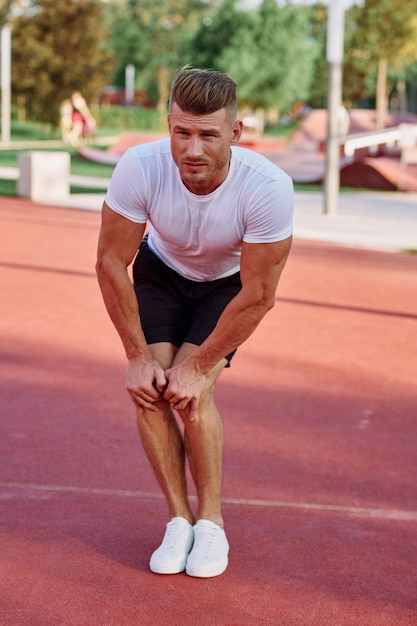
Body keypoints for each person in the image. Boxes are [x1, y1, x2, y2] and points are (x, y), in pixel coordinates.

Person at [96, 66, 293, 578]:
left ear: (235, 132)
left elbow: (260, 294)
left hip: (229, 285)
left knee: (192, 391)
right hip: (161, 271)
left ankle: (210, 524)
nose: (193, 149)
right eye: (182, 132)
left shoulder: (268, 187)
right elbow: (111, 263)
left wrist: (200, 366)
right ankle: (178, 520)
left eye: (208, 134)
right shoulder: (139, 167)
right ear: (168, 126)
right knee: (149, 388)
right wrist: (137, 358)